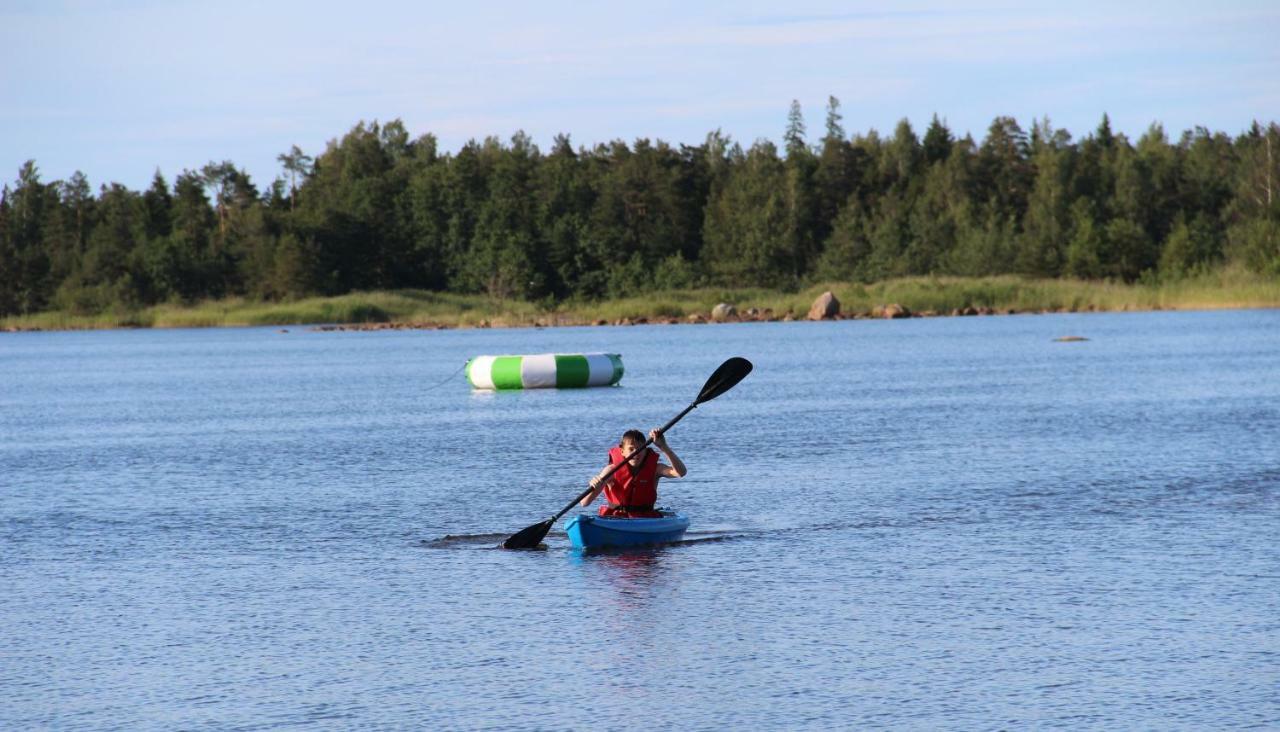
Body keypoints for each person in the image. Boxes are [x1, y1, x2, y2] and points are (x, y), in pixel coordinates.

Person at [580, 428, 686, 517]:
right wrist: (594, 484)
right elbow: (584, 502)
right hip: (616, 519)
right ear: (622, 451)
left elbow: (681, 473)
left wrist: (664, 447)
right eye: (631, 449)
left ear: (645, 451)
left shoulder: (656, 469)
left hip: (645, 519)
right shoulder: (611, 470)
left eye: (640, 449)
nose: (636, 452)